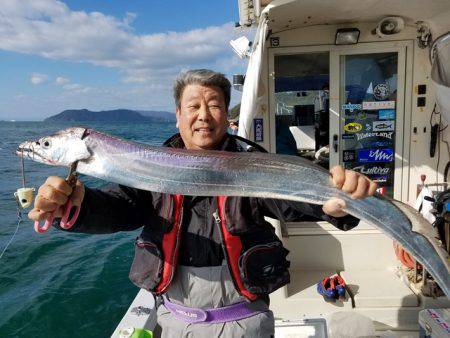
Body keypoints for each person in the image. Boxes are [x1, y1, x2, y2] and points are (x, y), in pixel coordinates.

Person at [29, 69, 377, 337]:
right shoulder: (150, 165)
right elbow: (121, 208)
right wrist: (73, 206)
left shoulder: (252, 164)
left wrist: (333, 205)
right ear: (177, 114)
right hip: (174, 321)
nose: (203, 115)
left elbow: (290, 201)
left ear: (226, 114)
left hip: (247, 323)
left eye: (214, 106)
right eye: (193, 106)